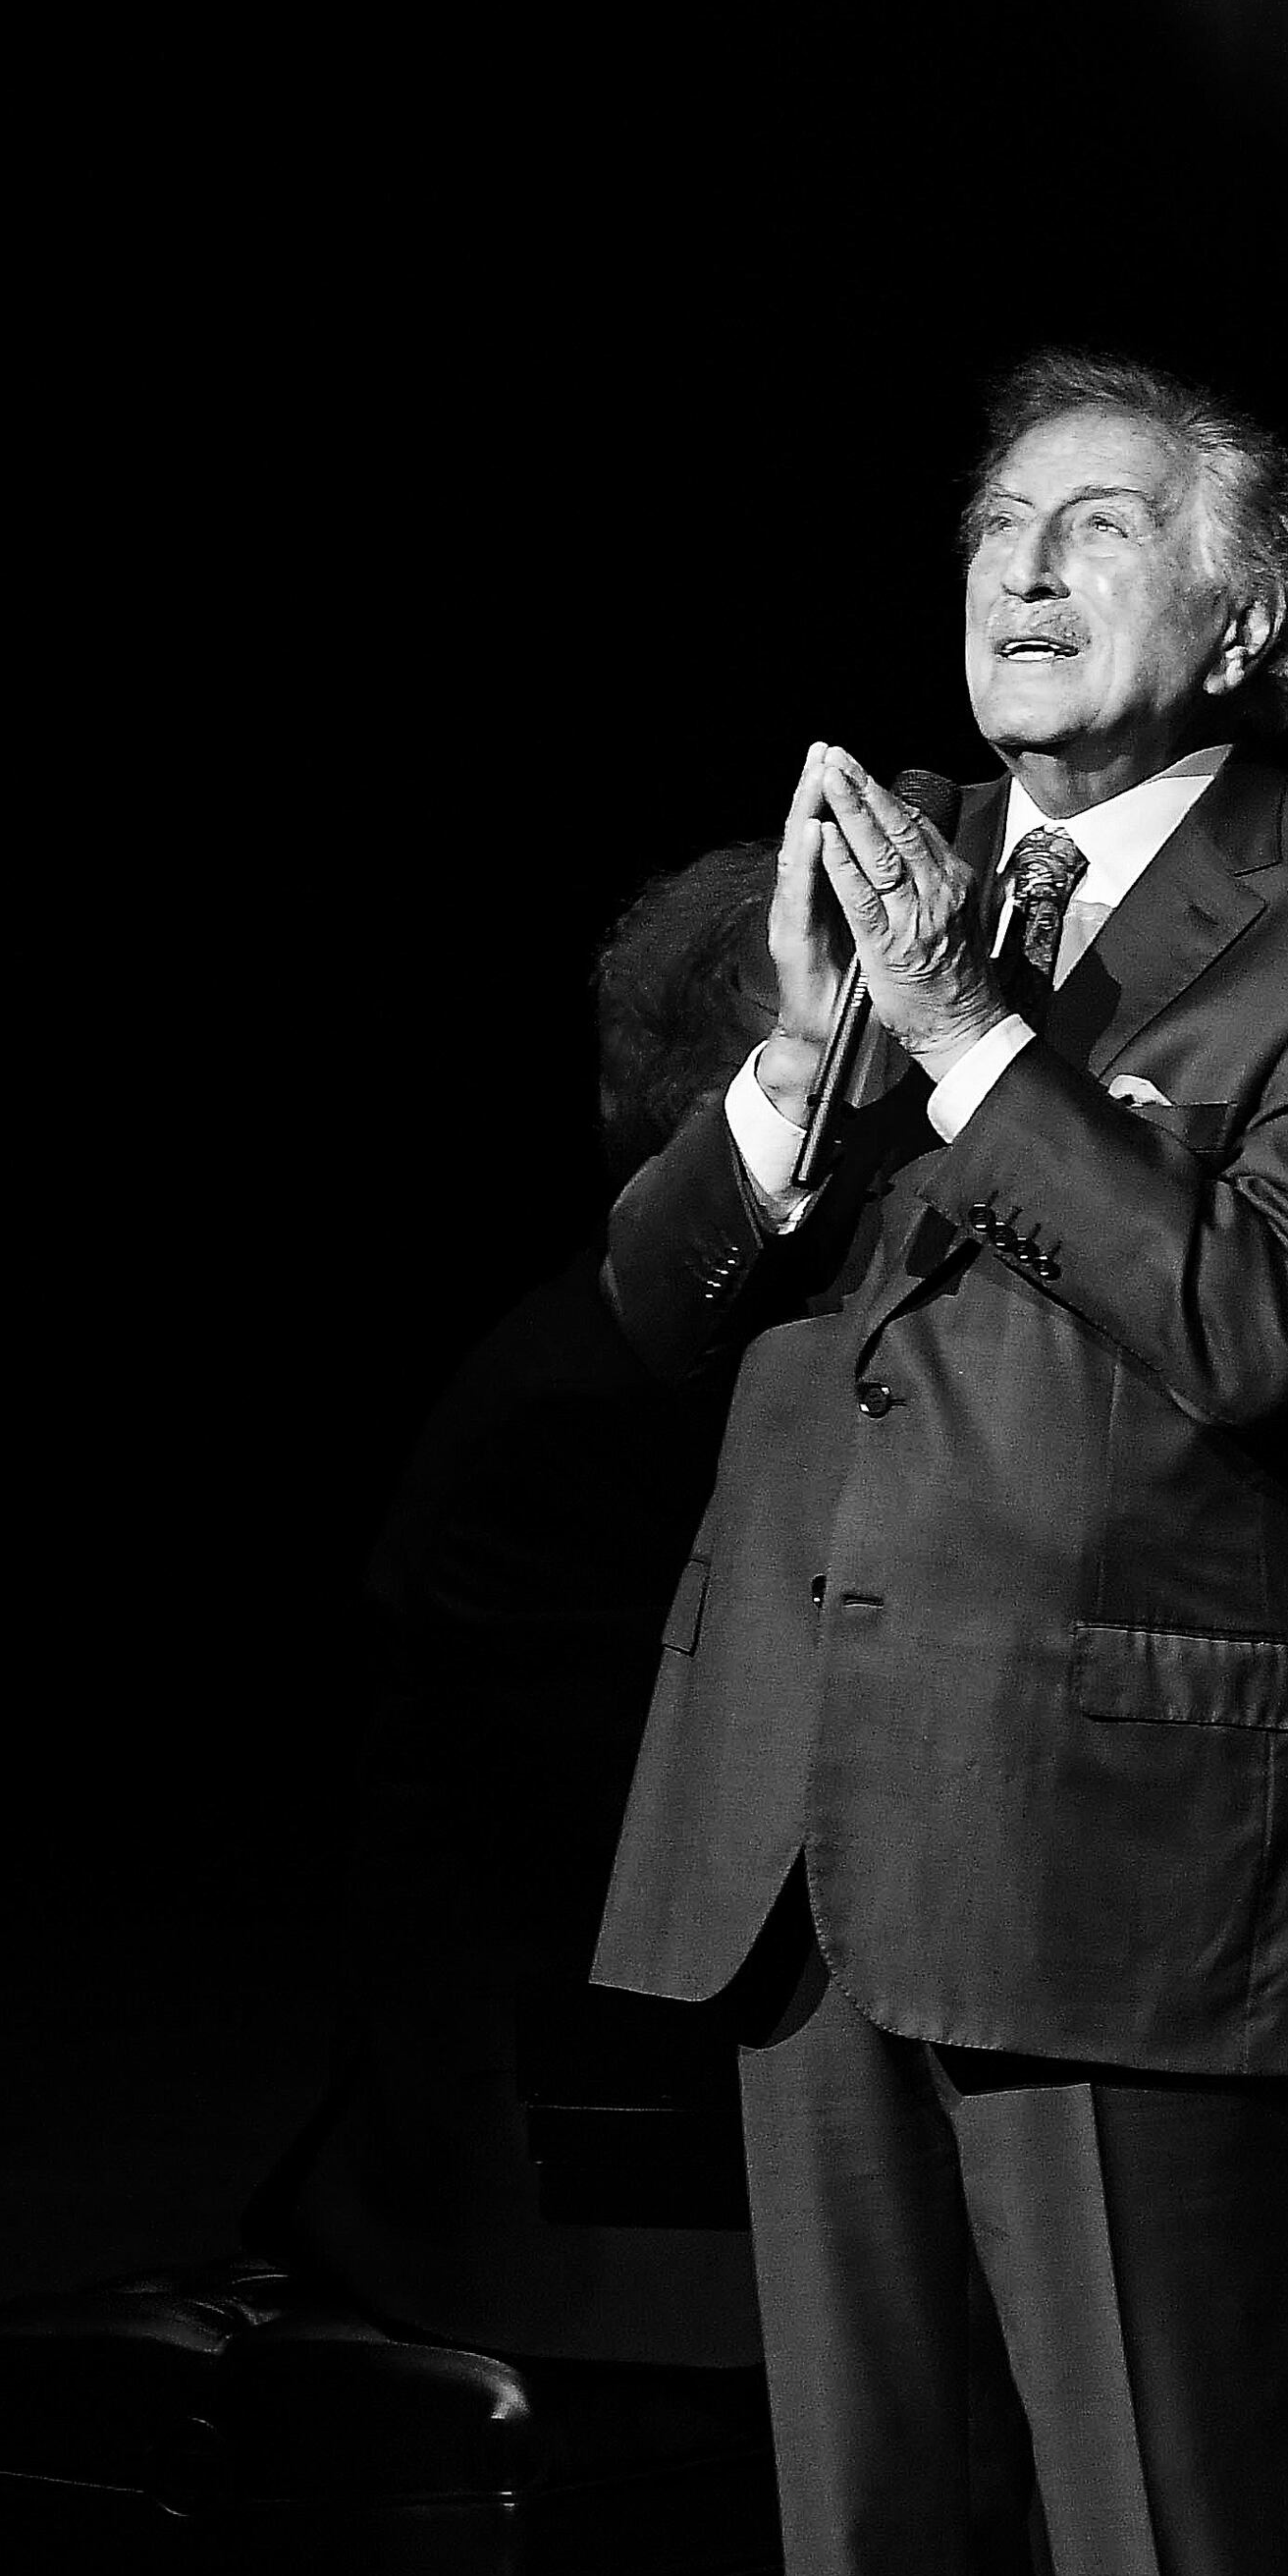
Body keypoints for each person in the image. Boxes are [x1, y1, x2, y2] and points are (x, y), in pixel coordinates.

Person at [588, 353, 1288, 2576]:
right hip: (800, 1833)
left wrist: (978, 1043)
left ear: (1247, 618)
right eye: (999, 524)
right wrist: (795, 1073)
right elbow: (649, 1309)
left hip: (1125, 1852)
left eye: (1099, 525)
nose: (1025, 565)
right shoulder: (874, 888)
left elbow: (1260, 1322)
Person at [251, 847, 787, 2369]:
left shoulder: (723, 1363)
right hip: (583, 2190)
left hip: (679, 2119)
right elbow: (676, 1846)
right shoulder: (580, 1403)